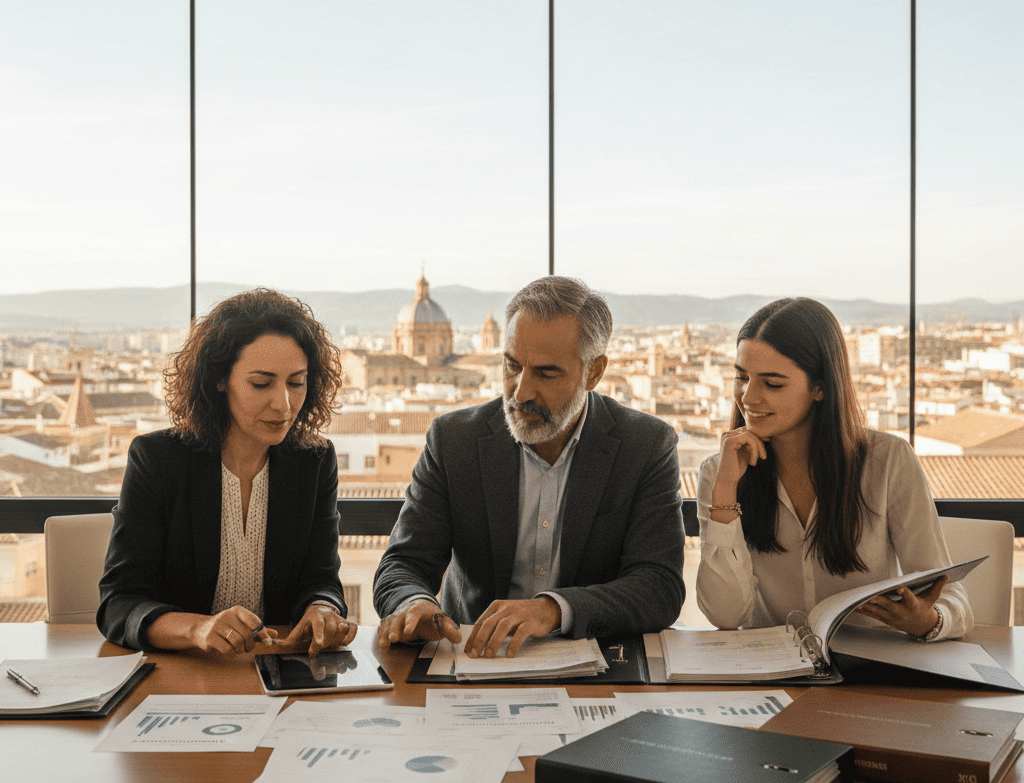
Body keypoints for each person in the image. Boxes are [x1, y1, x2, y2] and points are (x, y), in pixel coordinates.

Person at [374, 276, 685, 659]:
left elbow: (660, 587)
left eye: (546, 373)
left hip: (598, 666)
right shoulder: (455, 440)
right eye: (512, 366)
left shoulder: (645, 445)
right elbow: (403, 563)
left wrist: (553, 609)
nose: (520, 392)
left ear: (594, 372)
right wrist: (412, 603)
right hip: (474, 663)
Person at [98, 288, 357, 656]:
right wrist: (197, 628)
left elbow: (320, 579)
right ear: (220, 380)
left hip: (278, 671)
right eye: (261, 383)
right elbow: (119, 604)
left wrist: (323, 608)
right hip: (182, 674)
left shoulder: (313, 461)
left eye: (296, 382)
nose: (283, 404)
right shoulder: (158, 459)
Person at [696, 297, 973, 640]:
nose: (748, 397)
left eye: (772, 383)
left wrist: (927, 621)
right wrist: (724, 493)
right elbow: (725, 616)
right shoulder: (720, 472)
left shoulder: (888, 461)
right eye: (741, 377)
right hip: (773, 676)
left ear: (820, 387)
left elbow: (949, 596)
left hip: (869, 677)